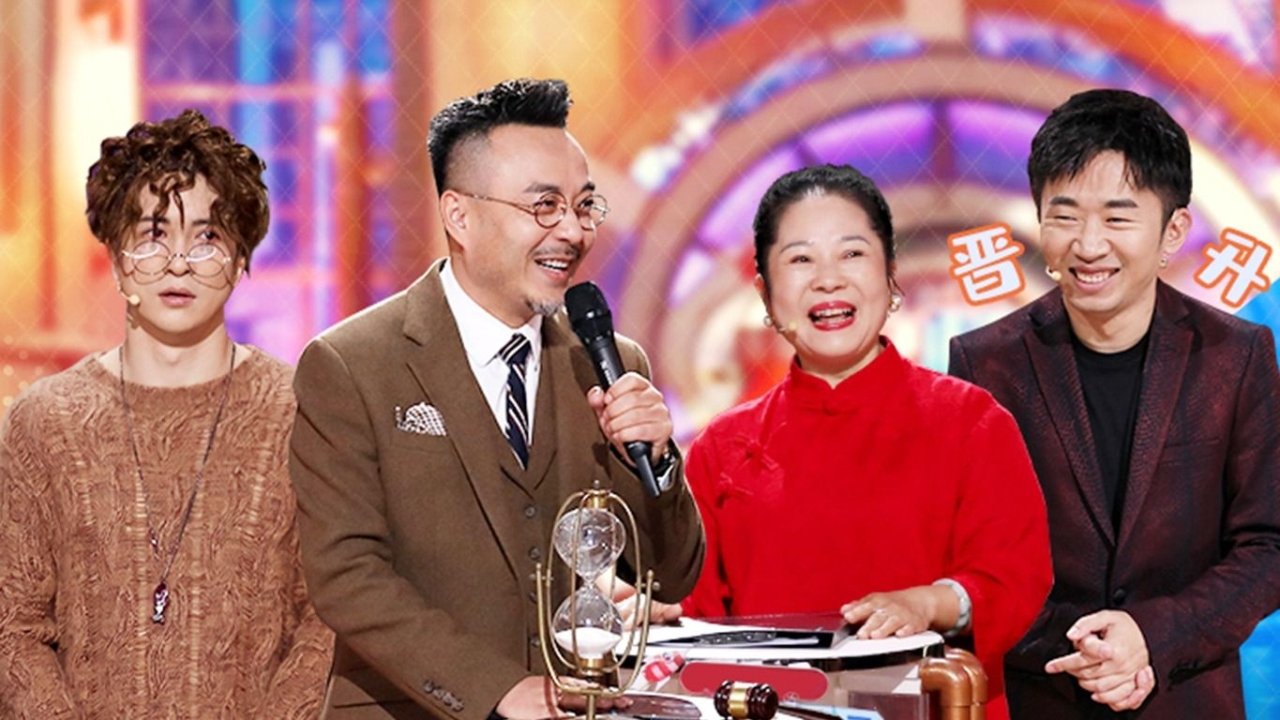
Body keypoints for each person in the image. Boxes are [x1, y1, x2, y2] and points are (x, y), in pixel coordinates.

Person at [288, 78, 705, 720]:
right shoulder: (351, 363)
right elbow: (347, 575)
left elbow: (672, 575)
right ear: (459, 215)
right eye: (545, 206)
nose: (572, 230)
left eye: (584, 206)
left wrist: (658, 462)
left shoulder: (611, 365)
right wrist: (496, 689)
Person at [676, 164, 1053, 720]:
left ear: (891, 276)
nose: (828, 280)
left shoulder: (972, 421)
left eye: (852, 254)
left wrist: (927, 602)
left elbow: (1015, 578)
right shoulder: (721, 447)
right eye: (800, 260)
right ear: (765, 293)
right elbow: (696, 615)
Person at [949, 88, 1280, 718]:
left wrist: (1151, 638)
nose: (1088, 244)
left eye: (1117, 218)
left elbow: (1268, 546)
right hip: (1044, 697)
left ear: (1173, 230)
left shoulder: (1236, 356)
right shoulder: (985, 364)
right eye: (1065, 215)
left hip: (1187, 697)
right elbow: (974, 562)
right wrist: (1089, 652)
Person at [0, 110, 332, 717]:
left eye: (207, 238)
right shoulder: (44, 421)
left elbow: (326, 620)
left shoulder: (301, 412)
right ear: (116, 255)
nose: (178, 262)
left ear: (240, 259)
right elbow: (14, 627)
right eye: (152, 235)